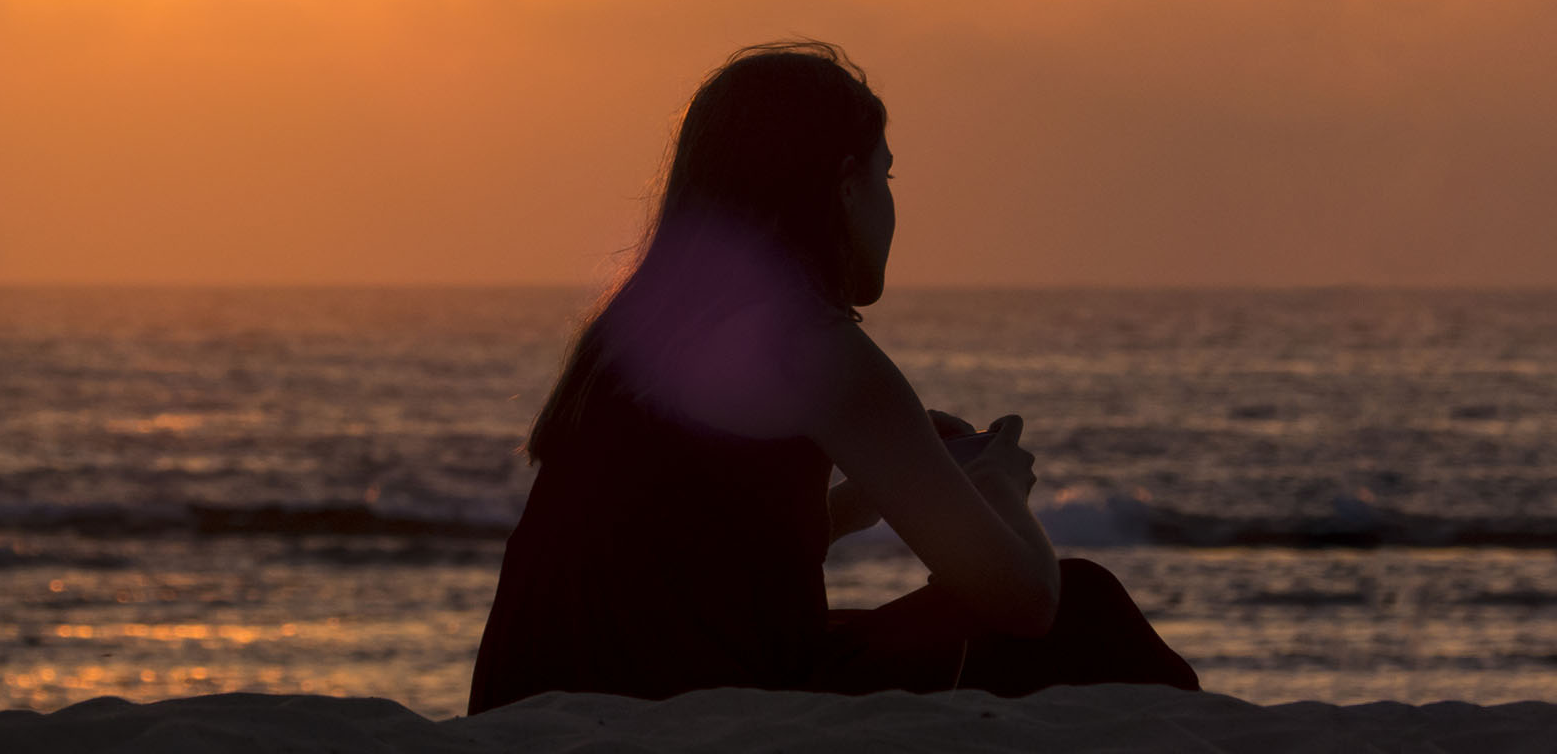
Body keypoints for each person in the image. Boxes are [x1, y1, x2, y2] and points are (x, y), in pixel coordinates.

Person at [467, 42, 1197, 714]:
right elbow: (1026, 599)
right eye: (885, 175)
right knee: (1084, 606)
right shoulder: (813, 345)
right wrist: (1001, 486)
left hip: (545, 694)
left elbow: (712, 556)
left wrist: (870, 498)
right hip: (695, 704)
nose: (888, 204)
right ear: (844, 188)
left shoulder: (633, 333)